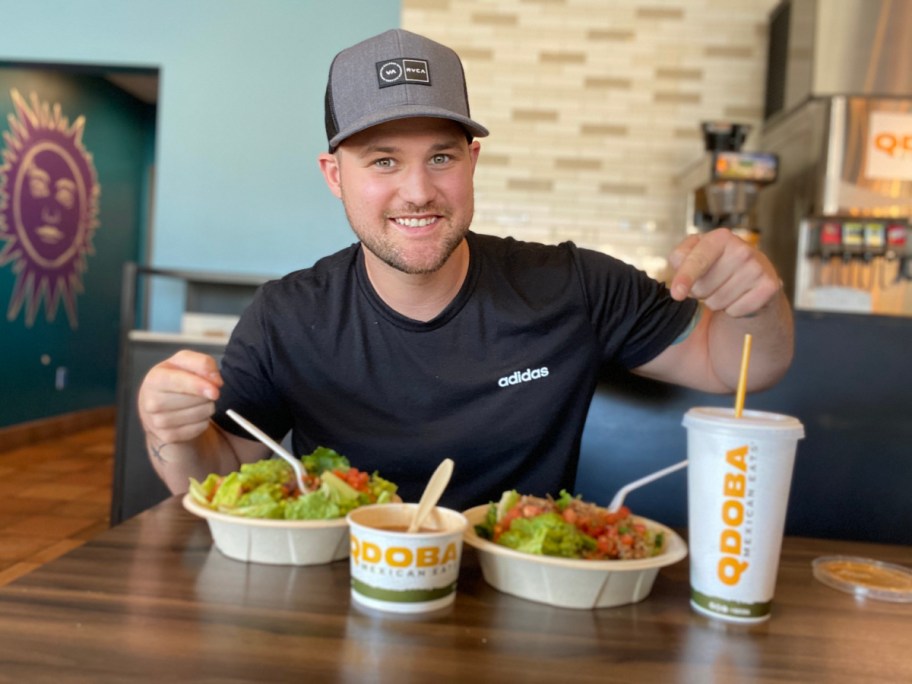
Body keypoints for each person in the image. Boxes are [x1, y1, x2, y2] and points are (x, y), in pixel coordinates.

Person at [138, 29, 793, 509]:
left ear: (472, 161)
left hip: (523, 601)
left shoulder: (575, 286)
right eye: (384, 161)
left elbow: (737, 364)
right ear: (334, 175)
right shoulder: (288, 316)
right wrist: (168, 429)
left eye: (442, 158)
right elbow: (215, 472)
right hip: (339, 606)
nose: (418, 190)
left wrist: (755, 301)